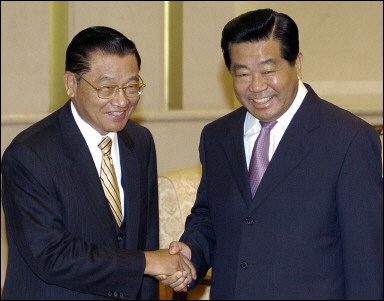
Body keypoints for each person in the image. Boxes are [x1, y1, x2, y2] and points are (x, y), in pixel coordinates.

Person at [163, 8, 383, 299]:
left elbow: (366, 261)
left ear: (297, 62)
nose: (256, 86)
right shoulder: (218, 136)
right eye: (242, 73)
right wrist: (192, 251)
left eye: (268, 70)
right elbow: (210, 217)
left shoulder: (348, 138)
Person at [1, 26, 194, 300]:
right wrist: (148, 262)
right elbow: (51, 254)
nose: (122, 100)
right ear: (71, 84)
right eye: (107, 87)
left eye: (132, 86)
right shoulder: (29, 154)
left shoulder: (139, 142)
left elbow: (144, 238)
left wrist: (154, 265)